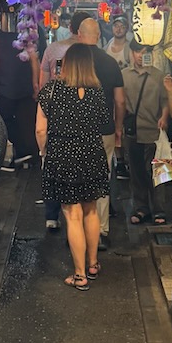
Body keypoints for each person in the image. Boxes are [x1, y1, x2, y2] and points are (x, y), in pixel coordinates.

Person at [36, 43, 109, 290]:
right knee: (91, 211)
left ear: (66, 64)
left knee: (72, 215)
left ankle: (79, 275)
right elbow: (103, 121)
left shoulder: (51, 91)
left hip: (63, 155)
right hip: (92, 154)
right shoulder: (97, 91)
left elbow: (40, 130)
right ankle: (93, 264)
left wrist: (44, 152)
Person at [75, 17, 125, 250]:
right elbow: (120, 100)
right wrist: (118, 128)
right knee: (102, 179)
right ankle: (101, 230)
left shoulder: (72, 62)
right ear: (98, 36)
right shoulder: (110, 63)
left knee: (77, 178)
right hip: (104, 130)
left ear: (80, 35)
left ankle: (77, 229)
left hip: (75, 131)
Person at [123, 40, 172, 225]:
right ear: (132, 53)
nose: (140, 56)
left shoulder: (158, 76)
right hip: (132, 131)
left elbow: (165, 101)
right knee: (136, 174)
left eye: (144, 52)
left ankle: (159, 210)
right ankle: (141, 208)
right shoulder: (124, 75)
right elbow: (119, 103)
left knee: (157, 173)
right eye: (137, 52)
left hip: (153, 132)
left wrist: (164, 117)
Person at [0, 22, 40, 170]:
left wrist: (35, 85)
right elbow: (34, 60)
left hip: (9, 89)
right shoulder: (26, 35)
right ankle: (26, 155)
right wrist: (35, 85)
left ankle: (22, 154)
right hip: (21, 88)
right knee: (25, 124)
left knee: (6, 122)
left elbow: (33, 60)